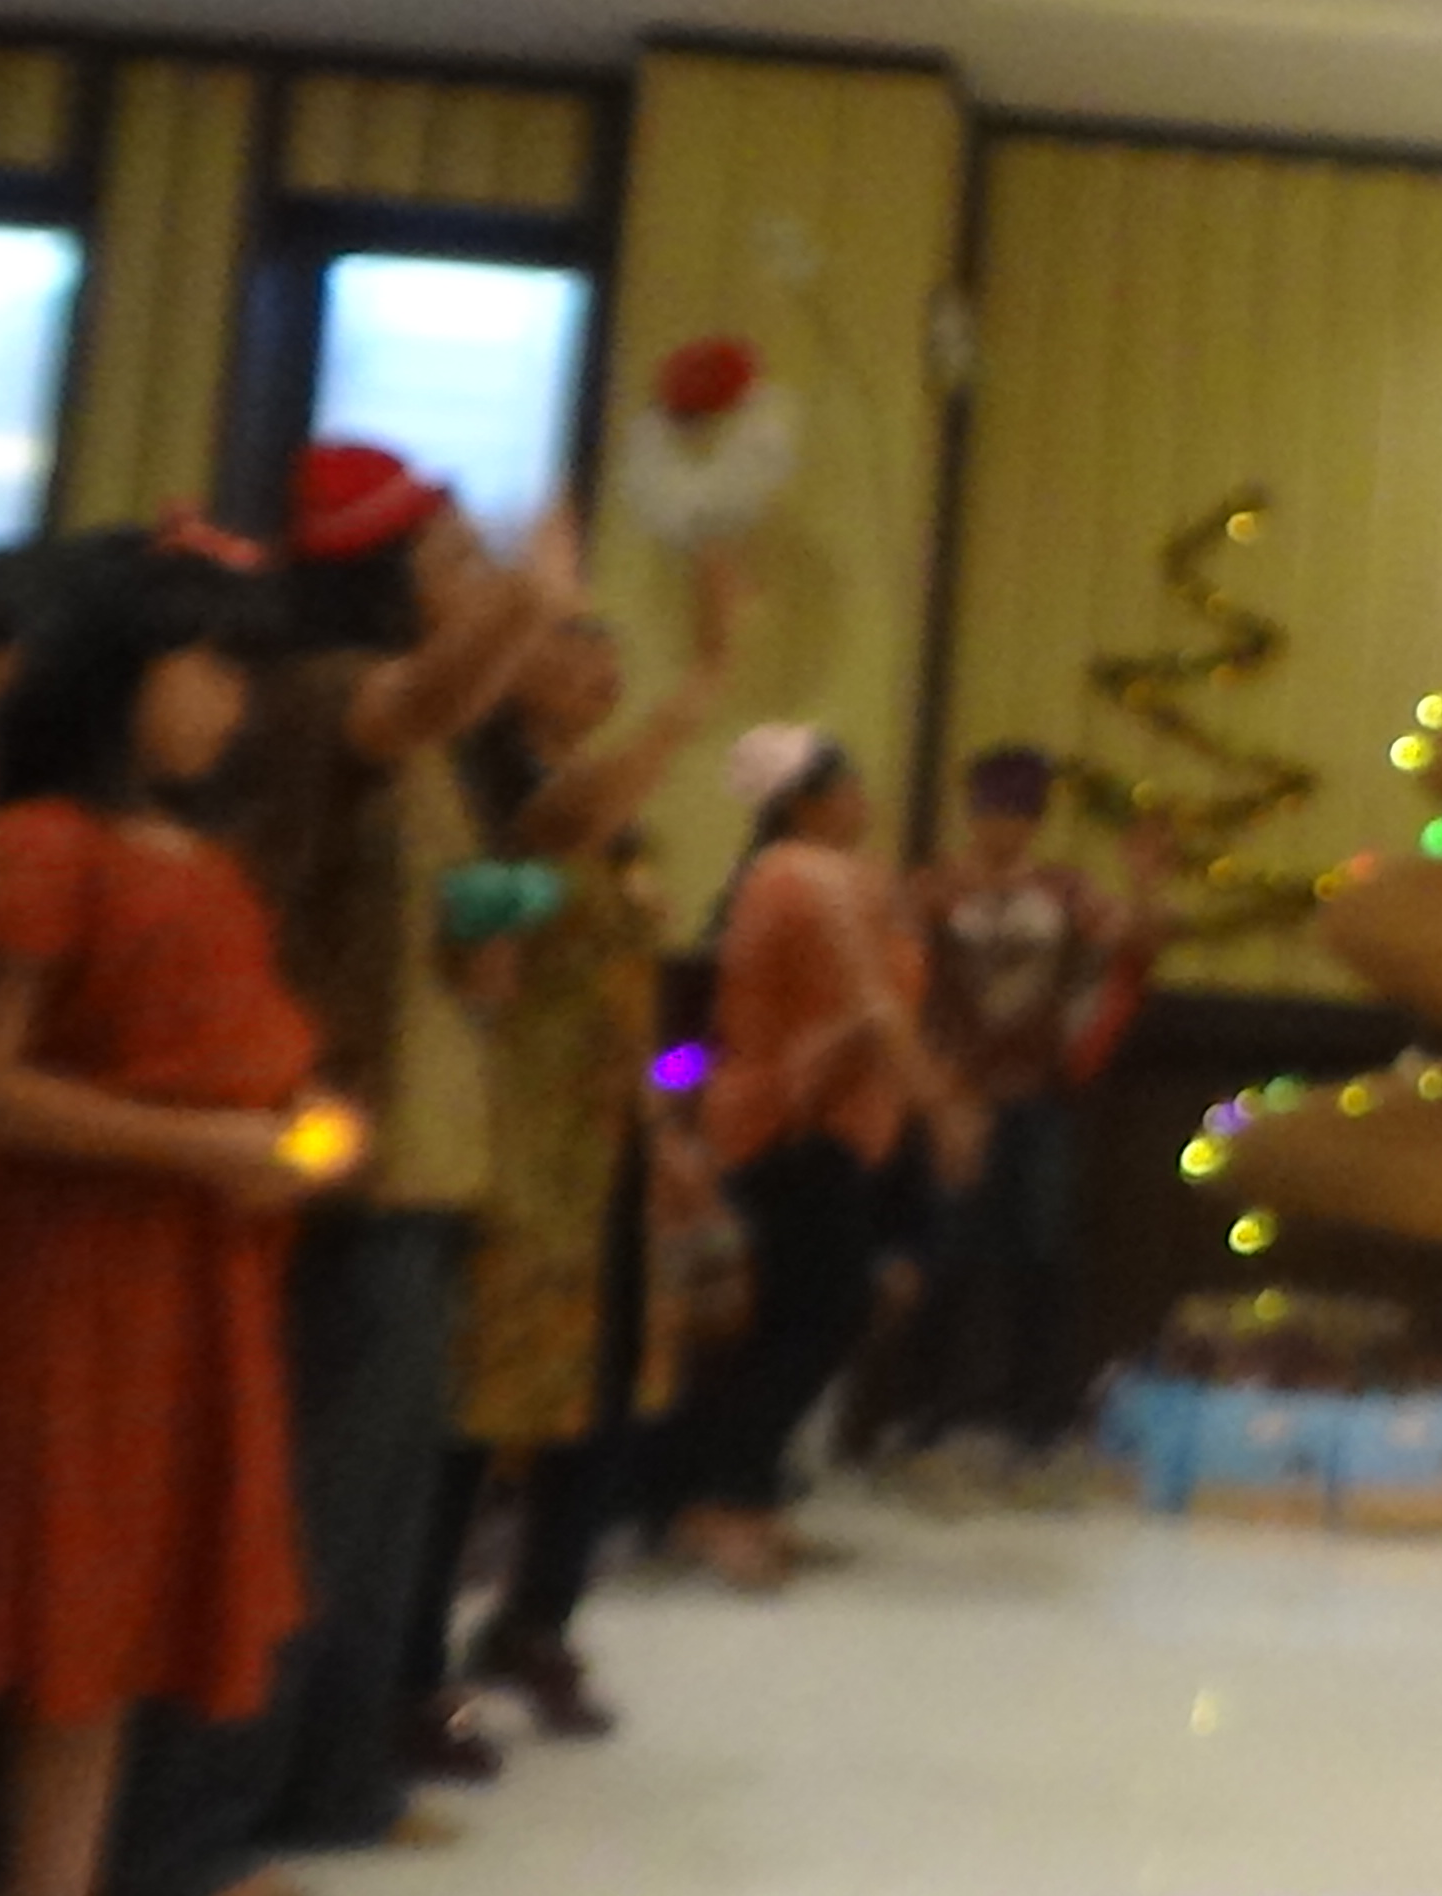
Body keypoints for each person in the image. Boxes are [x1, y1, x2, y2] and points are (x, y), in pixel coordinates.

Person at [0, 525, 354, 1896]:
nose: (234, 702)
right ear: (120, 668)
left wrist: (308, 1137)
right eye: (210, 665)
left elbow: (255, 1066)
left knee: (101, 1649)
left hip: (182, 1285)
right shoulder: (48, 844)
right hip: (64, 1289)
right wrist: (203, 1144)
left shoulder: (199, 860)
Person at [113, 444, 571, 1895]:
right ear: (379, 573)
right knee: (301, 1514)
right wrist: (536, 596)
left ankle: (333, 1787)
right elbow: (422, 696)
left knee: (374, 1519)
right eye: (450, 558)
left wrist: (480, 957)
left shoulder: (428, 742)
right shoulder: (324, 691)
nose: (475, 584)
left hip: (420, 1168)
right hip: (337, 1175)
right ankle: (200, 1834)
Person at [394, 553, 744, 1748]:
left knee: (599, 1397)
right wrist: (702, 680)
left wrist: (667, 1120)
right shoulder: (491, 787)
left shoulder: (617, 818)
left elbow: (630, 998)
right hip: (509, 1139)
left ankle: (537, 1620)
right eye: (570, 637)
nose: (598, 662)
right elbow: (561, 827)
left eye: (607, 644)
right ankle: (409, 1666)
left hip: (605, 1147)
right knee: (483, 1402)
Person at [645, 725, 971, 1591]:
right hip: (797, 1121)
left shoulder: (799, 875)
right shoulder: (806, 874)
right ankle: (722, 1497)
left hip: (819, 1121)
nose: (865, 801)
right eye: (849, 787)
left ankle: (737, 1494)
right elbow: (872, 1009)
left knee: (789, 1316)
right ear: (803, 802)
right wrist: (942, 1107)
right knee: (817, 1314)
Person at [875, 747, 1159, 1501]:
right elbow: (889, 974)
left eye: (1022, 812)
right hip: (951, 1098)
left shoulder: (1065, 892)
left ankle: (1039, 1425)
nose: (1006, 826)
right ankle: (924, 1418)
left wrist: (1145, 882)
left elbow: (1133, 946)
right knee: (944, 1252)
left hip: (1039, 1098)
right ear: (972, 812)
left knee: (1043, 1253)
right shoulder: (931, 891)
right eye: (995, 810)